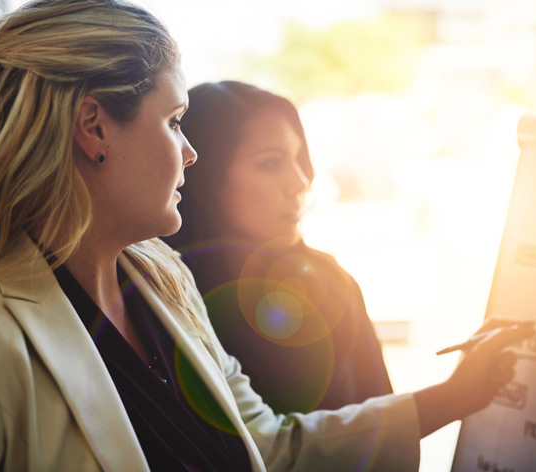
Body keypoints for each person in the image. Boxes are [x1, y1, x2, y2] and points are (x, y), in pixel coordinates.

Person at [0, 1, 534, 471]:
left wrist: (456, 395)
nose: (191, 154)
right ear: (94, 129)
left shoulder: (164, 282)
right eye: (173, 121)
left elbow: (268, 446)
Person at [161, 81, 394, 414]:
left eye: (299, 158)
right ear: (205, 174)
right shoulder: (162, 294)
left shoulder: (331, 282)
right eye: (271, 163)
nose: (300, 182)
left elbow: (387, 430)